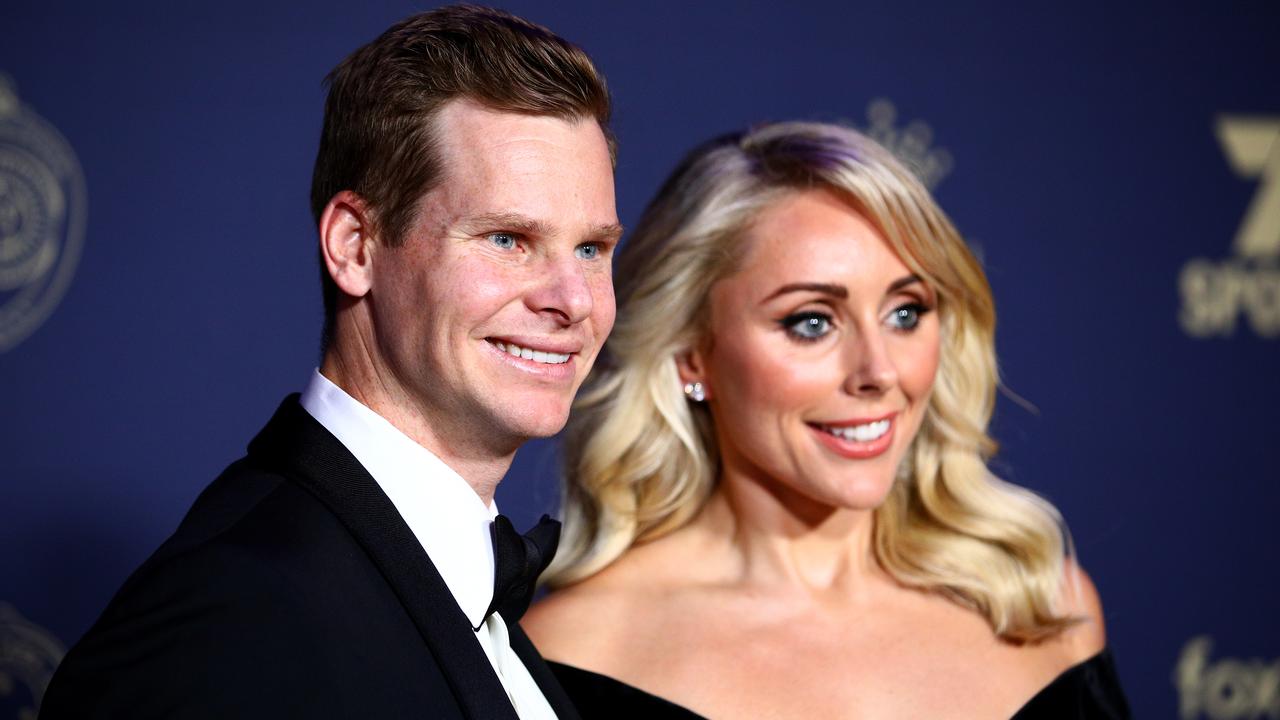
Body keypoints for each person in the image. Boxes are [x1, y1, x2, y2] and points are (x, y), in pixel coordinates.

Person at [41, 6, 621, 718]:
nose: (572, 300)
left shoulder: (451, 595)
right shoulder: (226, 619)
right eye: (507, 239)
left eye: (592, 249)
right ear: (354, 246)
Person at [523, 122, 1130, 718]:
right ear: (692, 355)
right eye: (812, 321)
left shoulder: (1041, 608)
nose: (879, 371)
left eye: (905, 312)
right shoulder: (572, 656)